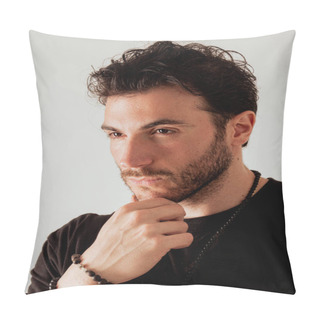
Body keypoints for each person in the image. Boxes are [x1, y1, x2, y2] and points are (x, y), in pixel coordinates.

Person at [27, 41, 295, 294]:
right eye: (117, 134)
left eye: (163, 130)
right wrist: (88, 274)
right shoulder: (74, 242)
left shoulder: (299, 223)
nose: (130, 160)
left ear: (239, 130)